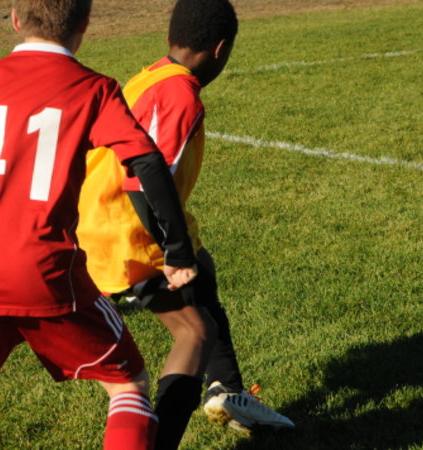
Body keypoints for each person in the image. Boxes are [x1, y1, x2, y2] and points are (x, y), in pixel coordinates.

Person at [0, 1, 199, 449]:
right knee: (127, 383)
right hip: (44, 270)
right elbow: (147, 162)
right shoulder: (94, 89)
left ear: (16, 19)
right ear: (85, 23)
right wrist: (177, 252)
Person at [77, 0, 294, 447]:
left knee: (203, 267)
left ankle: (228, 391)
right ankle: (159, 440)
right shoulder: (179, 95)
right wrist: (174, 252)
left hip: (104, 215)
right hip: (122, 235)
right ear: (220, 49)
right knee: (195, 332)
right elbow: (143, 184)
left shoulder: (152, 76)